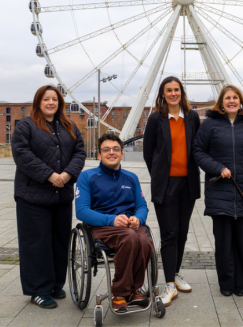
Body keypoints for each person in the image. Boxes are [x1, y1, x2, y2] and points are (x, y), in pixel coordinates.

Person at [193, 84, 243, 296]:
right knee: (224, 242)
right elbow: (198, 152)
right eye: (227, 98)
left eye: (235, 98)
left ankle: (242, 282)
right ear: (221, 102)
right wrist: (218, 168)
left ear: (240, 102)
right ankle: (226, 284)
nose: (231, 101)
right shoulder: (209, 125)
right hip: (219, 189)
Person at [12, 85, 86, 309]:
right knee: (36, 243)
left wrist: (66, 174)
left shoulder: (69, 126)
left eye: (54, 99)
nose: (51, 103)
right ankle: (38, 290)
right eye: (46, 99)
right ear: (38, 102)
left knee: (59, 241)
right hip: (33, 196)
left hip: (61, 195)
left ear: (59, 103)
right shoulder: (26, 126)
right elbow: (22, 154)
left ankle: (55, 283)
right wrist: (50, 176)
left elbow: (80, 152)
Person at [76, 133, 153, 313]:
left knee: (145, 241)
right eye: (106, 150)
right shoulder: (87, 177)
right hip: (103, 226)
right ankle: (119, 293)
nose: (112, 153)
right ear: (99, 155)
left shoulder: (131, 178)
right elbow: (81, 211)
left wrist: (138, 219)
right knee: (129, 238)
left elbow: (142, 206)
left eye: (115, 149)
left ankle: (134, 289)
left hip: (129, 225)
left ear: (121, 154)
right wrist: (111, 220)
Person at [143, 76, 200, 306]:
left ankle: (175, 275)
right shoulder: (156, 118)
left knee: (182, 232)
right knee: (169, 233)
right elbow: (148, 152)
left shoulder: (192, 117)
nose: (173, 93)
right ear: (163, 94)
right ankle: (168, 285)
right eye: (169, 90)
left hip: (188, 183)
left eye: (177, 89)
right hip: (166, 185)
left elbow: (198, 147)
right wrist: (159, 175)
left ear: (181, 93)